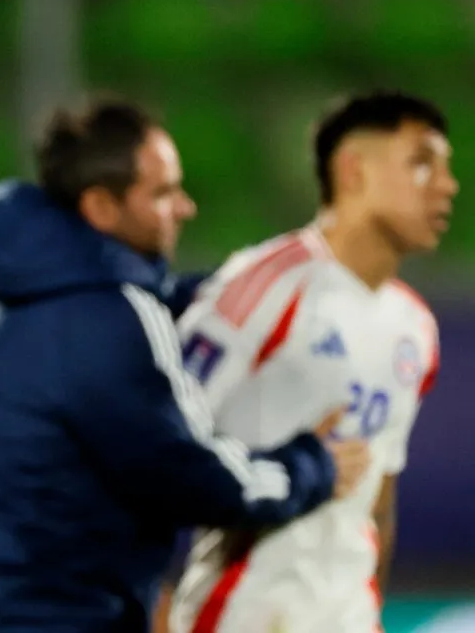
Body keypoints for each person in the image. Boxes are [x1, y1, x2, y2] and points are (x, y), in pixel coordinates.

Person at [0, 98, 371, 633]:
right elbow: (193, 477)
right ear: (101, 208)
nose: (185, 207)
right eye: (162, 193)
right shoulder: (114, 318)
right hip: (64, 616)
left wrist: (218, 291)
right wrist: (312, 466)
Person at [168, 91, 456, 633]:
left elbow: (377, 500)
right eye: (422, 163)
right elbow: (157, 445)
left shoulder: (414, 328)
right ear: (354, 170)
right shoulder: (263, 286)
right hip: (240, 613)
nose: (447, 185)